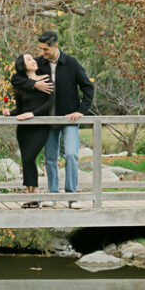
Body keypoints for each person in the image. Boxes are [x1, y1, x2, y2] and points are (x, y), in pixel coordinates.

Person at [11, 31, 94, 209]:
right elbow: (16, 78)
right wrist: (35, 84)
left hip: (69, 118)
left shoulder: (71, 63)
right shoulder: (39, 62)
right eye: (40, 49)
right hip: (47, 120)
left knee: (71, 155)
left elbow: (88, 87)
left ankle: (72, 196)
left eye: (45, 49)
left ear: (55, 46)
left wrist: (81, 111)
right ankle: (53, 195)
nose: (42, 53)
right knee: (50, 158)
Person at [5, 53, 54, 209]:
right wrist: (10, 112)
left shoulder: (46, 78)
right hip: (24, 128)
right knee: (27, 160)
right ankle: (30, 194)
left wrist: (33, 114)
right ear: (22, 65)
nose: (33, 61)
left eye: (33, 58)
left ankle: (35, 193)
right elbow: (20, 108)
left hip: (40, 125)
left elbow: (51, 103)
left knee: (29, 157)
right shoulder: (21, 83)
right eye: (28, 59)